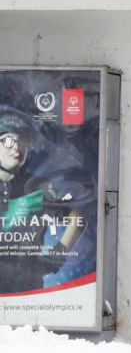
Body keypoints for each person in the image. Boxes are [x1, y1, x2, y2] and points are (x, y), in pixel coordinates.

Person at [0, 108, 85, 294]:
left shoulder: (38, 186)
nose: (16, 147)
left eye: (22, 141)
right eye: (7, 140)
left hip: (27, 289)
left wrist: (57, 256)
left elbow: (77, 218)